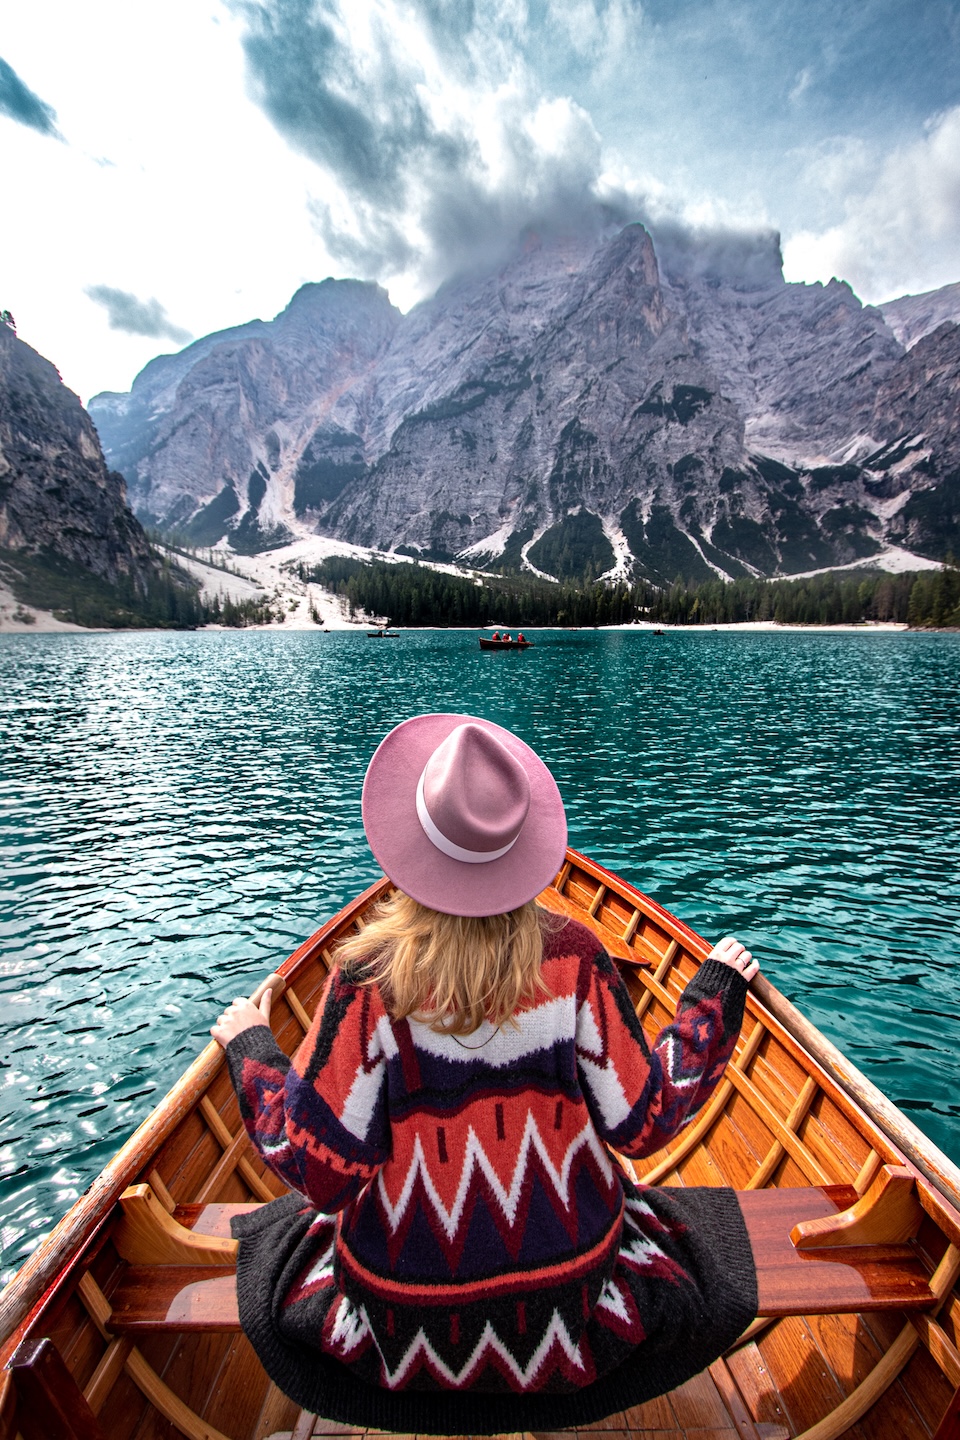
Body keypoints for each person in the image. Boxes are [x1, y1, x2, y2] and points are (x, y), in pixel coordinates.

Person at [212, 715, 759, 1430]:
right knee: (674, 1238)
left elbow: (320, 1174)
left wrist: (252, 1050)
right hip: (576, 1310)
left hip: (398, 1324)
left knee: (279, 1241)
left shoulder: (363, 981)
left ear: (411, 845)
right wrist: (709, 1003)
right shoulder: (575, 958)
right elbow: (643, 1124)